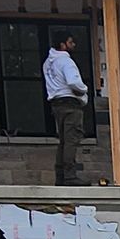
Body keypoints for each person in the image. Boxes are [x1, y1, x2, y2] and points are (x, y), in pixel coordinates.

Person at [42, 30, 90, 185]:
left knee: (63, 141)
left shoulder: (48, 63)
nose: (73, 45)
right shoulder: (66, 61)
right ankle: (70, 177)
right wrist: (84, 90)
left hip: (56, 105)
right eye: (70, 42)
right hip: (70, 104)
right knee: (71, 140)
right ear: (62, 45)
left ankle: (60, 176)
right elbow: (73, 83)